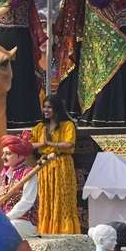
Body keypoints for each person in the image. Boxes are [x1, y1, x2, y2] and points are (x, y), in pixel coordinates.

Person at [30, 96, 80, 234]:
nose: (45, 110)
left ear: (56, 109)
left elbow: (69, 144)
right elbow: (28, 145)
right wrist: (42, 143)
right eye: (44, 107)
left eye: (49, 107)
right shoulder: (39, 127)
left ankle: (65, 231)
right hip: (45, 166)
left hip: (62, 165)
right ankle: (46, 230)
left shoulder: (67, 125)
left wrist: (51, 144)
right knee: (46, 198)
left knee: (62, 198)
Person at [0, 134, 38, 237]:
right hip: (3, 219)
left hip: (22, 222)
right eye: (3, 153)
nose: (3, 157)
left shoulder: (29, 174)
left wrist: (7, 217)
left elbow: (26, 202)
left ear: (20, 156)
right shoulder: (3, 174)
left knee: (8, 227)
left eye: (8, 154)